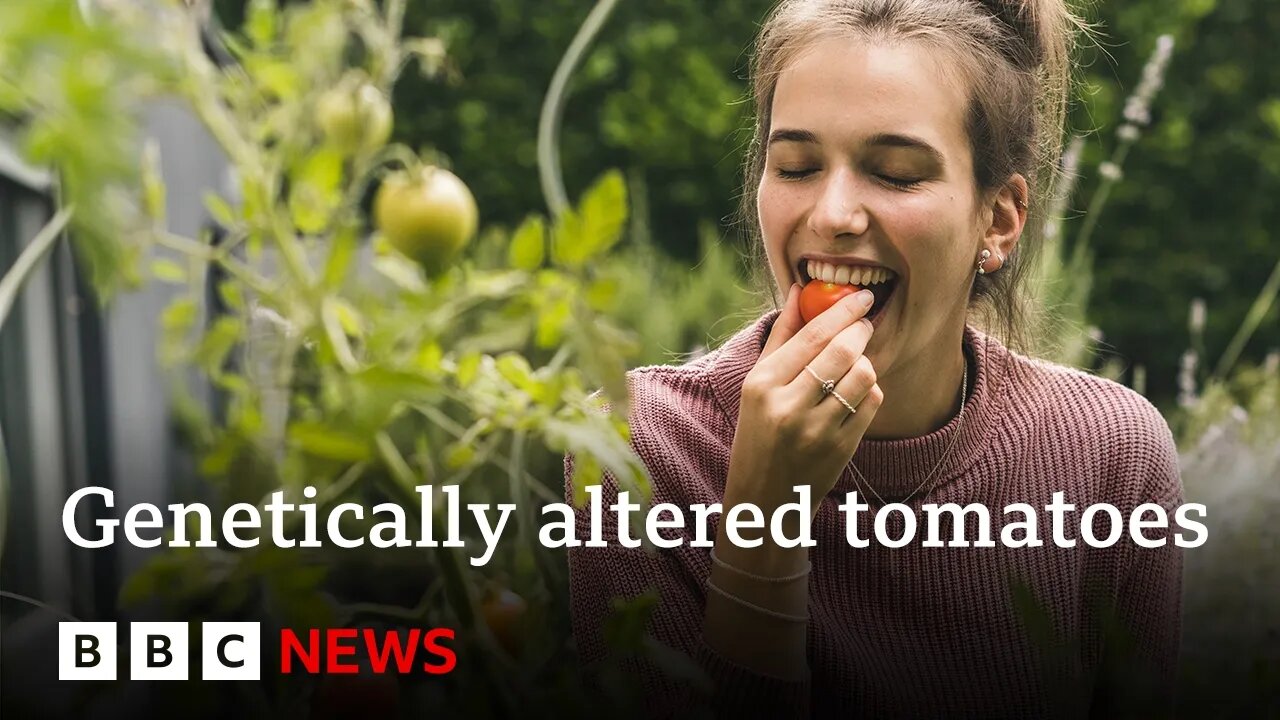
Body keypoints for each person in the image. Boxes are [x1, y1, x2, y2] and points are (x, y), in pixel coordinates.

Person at [565, 0, 1183, 717]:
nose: (832, 214)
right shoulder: (635, 449)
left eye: (894, 174)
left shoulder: (1112, 457)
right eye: (796, 165)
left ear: (999, 221)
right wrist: (762, 528)